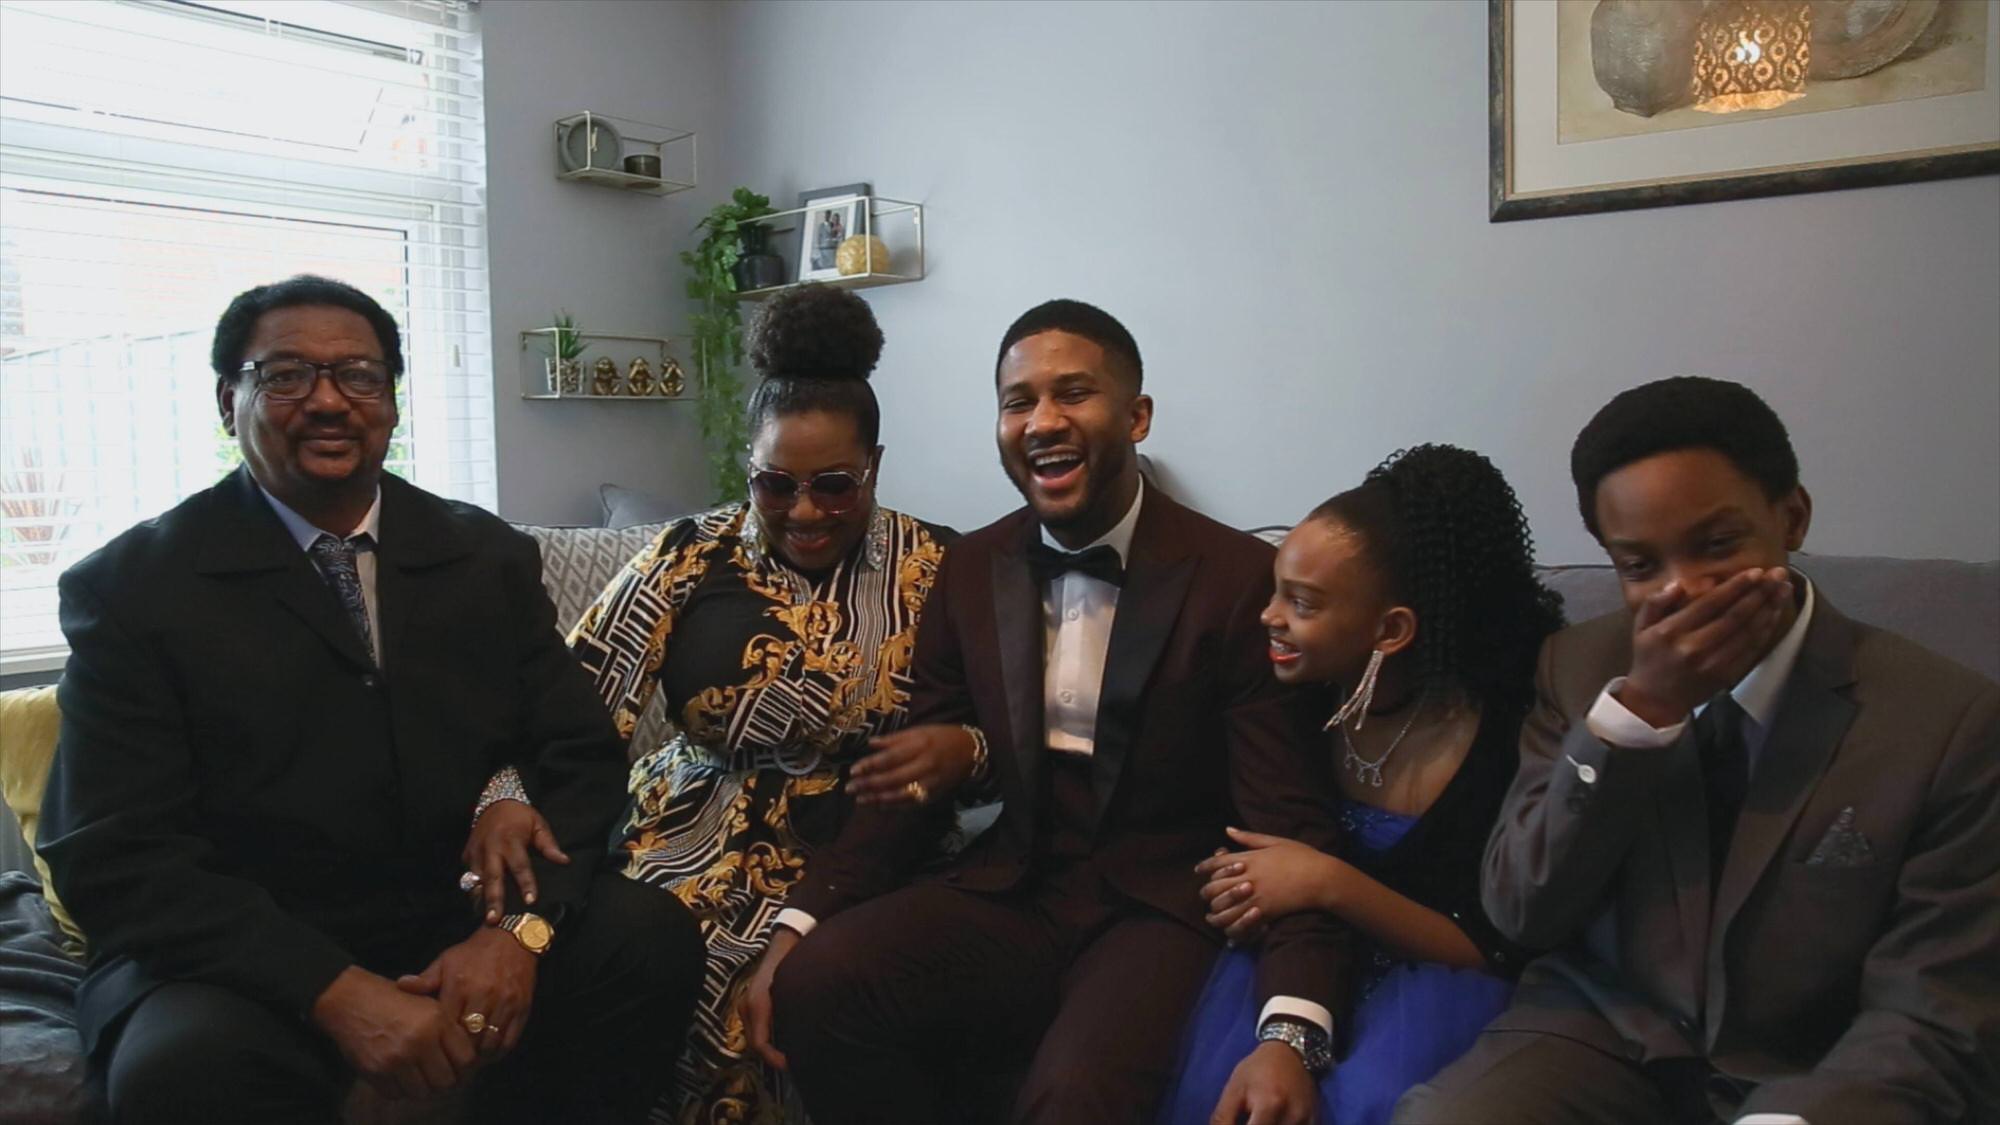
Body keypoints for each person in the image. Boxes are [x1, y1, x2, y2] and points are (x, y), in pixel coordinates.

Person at [36, 275, 704, 1125]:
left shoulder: (481, 555)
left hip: (447, 915)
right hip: (241, 952)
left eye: (359, 374)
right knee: (181, 1067)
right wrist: (333, 991)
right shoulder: (135, 588)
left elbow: (578, 755)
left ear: (390, 399)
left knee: (645, 940)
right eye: (285, 375)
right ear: (226, 398)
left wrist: (515, 934)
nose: (327, 401)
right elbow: (114, 852)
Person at [742, 299, 1348, 1125]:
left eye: (1074, 394)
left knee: (1072, 1097)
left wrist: (1292, 1027)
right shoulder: (971, 566)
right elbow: (910, 778)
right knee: (818, 985)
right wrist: (799, 921)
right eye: (1017, 401)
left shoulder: (1240, 579)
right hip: (1015, 884)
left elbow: (1291, 824)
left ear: (1136, 416)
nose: (1042, 421)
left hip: (1161, 907)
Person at [1398, 377, 2000, 1125]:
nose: (1683, 590)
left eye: (1717, 545)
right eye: (1641, 567)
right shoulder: (1577, 668)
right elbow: (1521, 910)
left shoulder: (1950, 720)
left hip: (1818, 1062)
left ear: (1793, 516)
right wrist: (1637, 716)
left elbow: (1935, 1009)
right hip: (1603, 1033)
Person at [465, 282, 961, 1123]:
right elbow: (570, 709)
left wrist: (964, 755)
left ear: (875, 464)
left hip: (873, 847)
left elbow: (985, 740)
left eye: (835, 486)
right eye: (775, 486)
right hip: (691, 829)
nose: (803, 512)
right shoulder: (689, 555)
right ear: (748, 470)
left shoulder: (941, 567)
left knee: (830, 985)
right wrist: (505, 794)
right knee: (643, 958)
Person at [1159, 445, 1563, 1125]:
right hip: (1304, 954)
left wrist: (1326, 880)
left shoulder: (1502, 732)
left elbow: (1496, 944)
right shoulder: (1291, 697)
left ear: (1391, 629)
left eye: (1302, 602)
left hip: (1438, 978)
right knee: (1217, 1088)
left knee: (1371, 1100)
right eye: (1274, 589)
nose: (1268, 617)